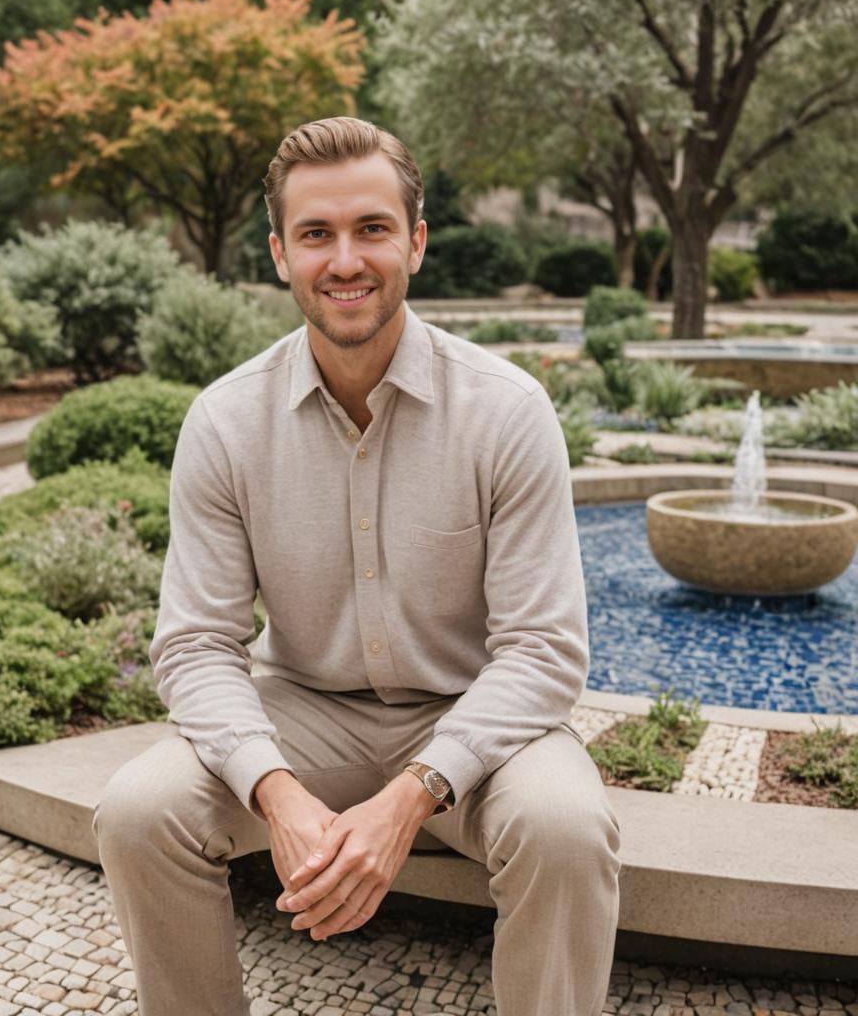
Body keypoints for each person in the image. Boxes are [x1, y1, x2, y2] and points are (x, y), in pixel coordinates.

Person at [93, 116, 620, 1016]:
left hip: (475, 720)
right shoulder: (225, 423)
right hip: (301, 714)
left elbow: (541, 650)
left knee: (567, 828)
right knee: (142, 811)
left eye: (372, 228)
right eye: (316, 235)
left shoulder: (508, 412)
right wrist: (279, 793)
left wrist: (411, 796)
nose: (346, 259)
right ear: (279, 254)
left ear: (414, 242)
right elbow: (196, 647)